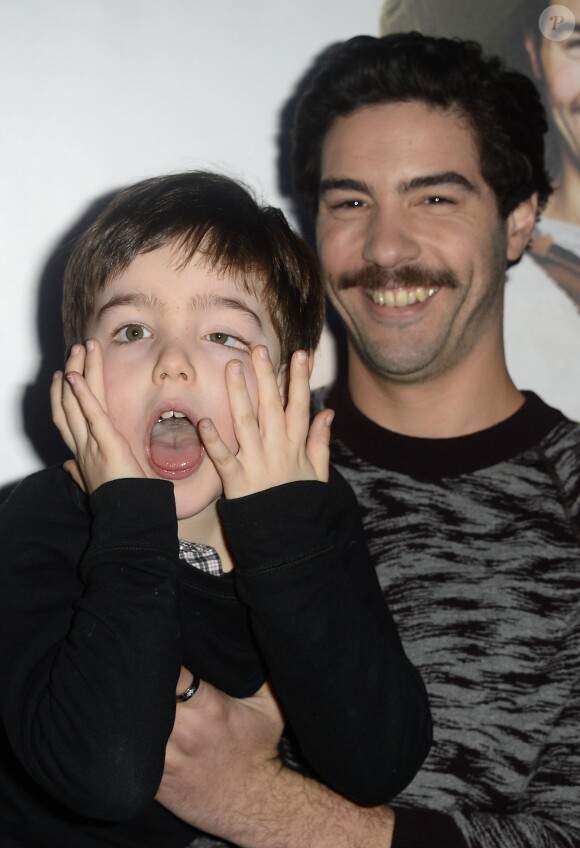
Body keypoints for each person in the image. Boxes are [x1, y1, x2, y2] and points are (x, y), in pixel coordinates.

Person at [155, 34, 580, 848]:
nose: (386, 248)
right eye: (351, 202)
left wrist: (255, 802)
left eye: (435, 199)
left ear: (520, 218)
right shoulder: (207, 461)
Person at [0, 171, 431, 847]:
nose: (172, 363)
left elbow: (376, 763)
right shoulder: (35, 523)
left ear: (293, 376)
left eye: (223, 336)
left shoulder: (311, 512)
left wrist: (285, 533)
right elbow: (107, 773)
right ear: (76, 374)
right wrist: (128, 516)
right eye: (132, 329)